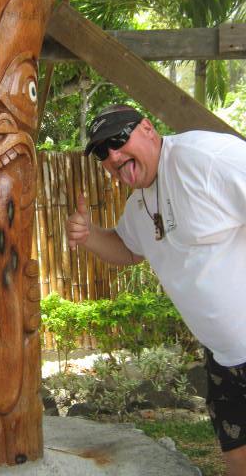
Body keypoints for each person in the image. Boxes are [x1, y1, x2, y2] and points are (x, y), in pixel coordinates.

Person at [66, 103, 246, 476]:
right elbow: (128, 249)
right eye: (102, 152)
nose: (113, 155)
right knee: (237, 456)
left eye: (118, 139)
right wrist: (88, 235)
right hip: (224, 358)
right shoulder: (139, 205)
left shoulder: (205, 160)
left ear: (147, 128)